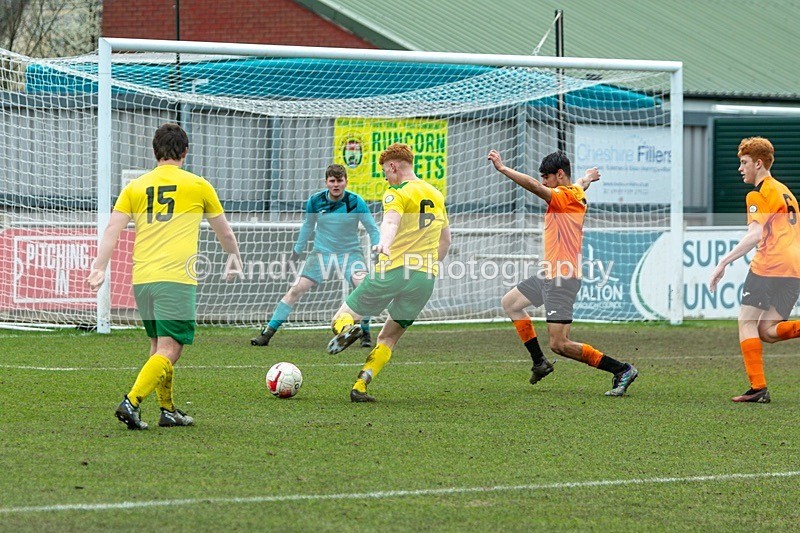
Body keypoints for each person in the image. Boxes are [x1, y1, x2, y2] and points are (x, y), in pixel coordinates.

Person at [87, 123, 241, 430]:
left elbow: (112, 229)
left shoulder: (135, 187)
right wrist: (233, 256)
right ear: (185, 151)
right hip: (176, 279)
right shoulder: (198, 185)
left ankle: (167, 410)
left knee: (159, 346)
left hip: (143, 278)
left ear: (154, 152)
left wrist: (99, 266)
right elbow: (223, 230)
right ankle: (131, 402)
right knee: (171, 349)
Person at [487, 149, 638, 396]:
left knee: (559, 344)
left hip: (563, 278)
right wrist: (589, 175)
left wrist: (503, 169)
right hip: (551, 274)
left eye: (547, 177)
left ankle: (621, 369)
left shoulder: (561, 197)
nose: (544, 182)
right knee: (511, 303)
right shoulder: (574, 192)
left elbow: (534, 186)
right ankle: (539, 362)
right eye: (543, 178)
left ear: (559, 175)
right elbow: (581, 183)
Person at [326, 143, 451, 402]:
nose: (385, 177)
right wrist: (428, 266)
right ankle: (360, 385)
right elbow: (446, 241)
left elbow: (391, 220)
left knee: (342, 315)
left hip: (393, 270)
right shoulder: (436, 195)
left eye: (385, 171)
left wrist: (383, 242)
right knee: (389, 337)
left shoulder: (397, 192)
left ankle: (346, 329)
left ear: (393, 166)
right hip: (424, 279)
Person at [710, 137, 800, 403]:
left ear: (758, 163)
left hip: (770, 264)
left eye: (744, 162)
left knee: (746, 322)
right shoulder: (785, 190)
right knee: (767, 330)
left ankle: (758, 388)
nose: (741, 168)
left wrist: (724, 261)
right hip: (794, 268)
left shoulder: (758, 194)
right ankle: (758, 387)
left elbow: (756, 233)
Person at [250, 164, 380, 348]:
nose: (336, 185)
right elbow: (308, 226)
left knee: (364, 288)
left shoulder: (356, 201)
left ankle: (365, 332)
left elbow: (371, 227)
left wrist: (379, 246)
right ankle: (267, 333)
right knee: (295, 290)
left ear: (346, 182)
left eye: (339, 181)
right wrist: (297, 251)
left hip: (350, 254)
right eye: (332, 181)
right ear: (326, 182)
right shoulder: (315, 201)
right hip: (321, 254)